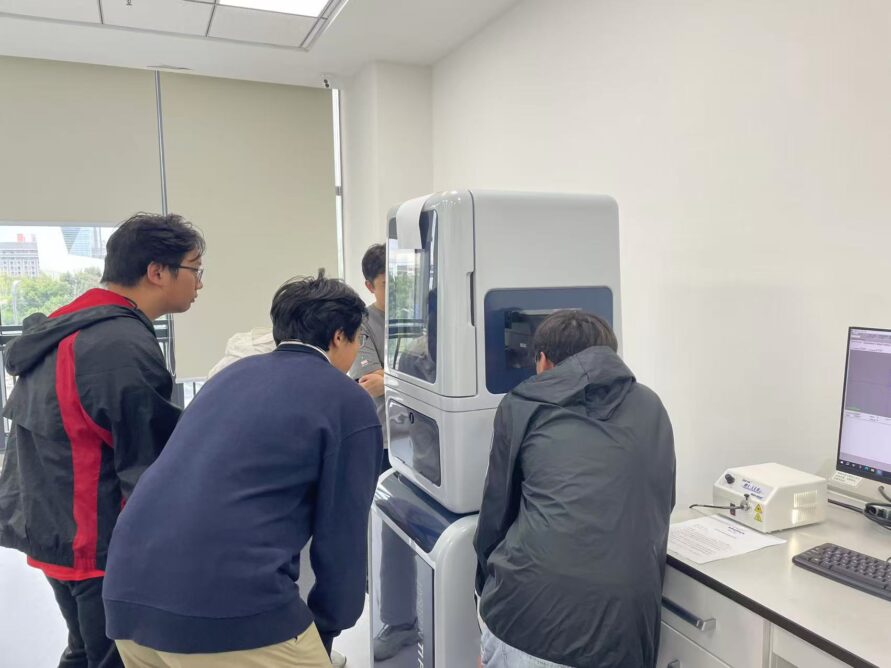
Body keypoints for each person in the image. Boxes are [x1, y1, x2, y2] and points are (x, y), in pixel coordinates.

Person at [103, 271, 383, 668]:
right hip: (228, 612)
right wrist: (327, 627)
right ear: (340, 336)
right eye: (357, 339)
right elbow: (342, 537)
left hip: (127, 599)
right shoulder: (346, 400)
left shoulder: (229, 377)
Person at [0, 212, 205, 668]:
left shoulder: (71, 322)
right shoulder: (118, 342)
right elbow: (150, 458)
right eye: (194, 269)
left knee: (83, 649)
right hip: (95, 540)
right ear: (157, 272)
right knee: (116, 657)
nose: (200, 284)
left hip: (52, 526)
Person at [474, 310, 676, 668]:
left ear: (542, 361)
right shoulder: (652, 406)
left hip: (525, 619)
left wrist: (484, 593)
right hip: (625, 633)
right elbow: (661, 502)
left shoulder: (523, 404)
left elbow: (496, 516)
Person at [349, 243, 388, 458]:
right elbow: (370, 382)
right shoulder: (361, 322)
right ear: (369, 286)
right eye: (386, 284)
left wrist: (386, 380)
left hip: (422, 433)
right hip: (384, 437)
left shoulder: (420, 317)